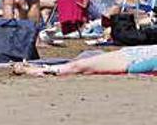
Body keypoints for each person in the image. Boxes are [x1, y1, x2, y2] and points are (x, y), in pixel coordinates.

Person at [12, 44, 157, 76]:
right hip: (133, 55)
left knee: (81, 65)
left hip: (133, 56)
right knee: (80, 64)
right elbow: (136, 68)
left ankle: (42, 69)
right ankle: (42, 69)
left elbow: (135, 68)